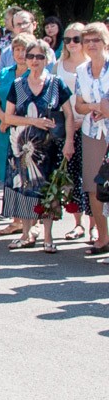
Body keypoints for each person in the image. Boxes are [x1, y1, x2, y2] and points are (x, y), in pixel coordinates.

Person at [1, 39, 76, 253]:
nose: (35, 60)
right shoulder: (18, 85)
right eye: (31, 56)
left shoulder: (56, 83)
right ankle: (26, 233)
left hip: (48, 147)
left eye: (39, 56)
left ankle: (48, 236)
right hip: (21, 145)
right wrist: (34, 121)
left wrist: (69, 140)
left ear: (47, 59)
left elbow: (69, 115)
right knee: (23, 187)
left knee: (48, 190)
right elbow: (9, 117)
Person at [0, 34, 32, 234]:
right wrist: (3, 118)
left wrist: (11, 119)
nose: (21, 54)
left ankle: (33, 222)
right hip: (6, 129)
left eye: (25, 50)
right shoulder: (6, 73)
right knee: (11, 175)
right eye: (17, 49)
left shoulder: (35, 74)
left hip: (28, 131)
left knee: (29, 175)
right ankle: (16, 220)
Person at [53, 23, 92, 241]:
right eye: (67, 40)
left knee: (91, 176)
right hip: (65, 126)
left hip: (90, 124)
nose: (72, 44)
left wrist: (82, 118)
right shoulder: (58, 65)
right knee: (70, 176)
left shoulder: (92, 63)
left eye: (76, 39)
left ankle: (95, 225)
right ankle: (78, 223)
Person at [74, 21, 109, 257]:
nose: (91, 44)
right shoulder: (81, 71)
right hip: (91, 133)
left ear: (105, 41)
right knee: (94, 187)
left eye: (96, 40)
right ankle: (103, 238)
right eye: (87, 41)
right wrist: (96, 107)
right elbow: (78, 104)